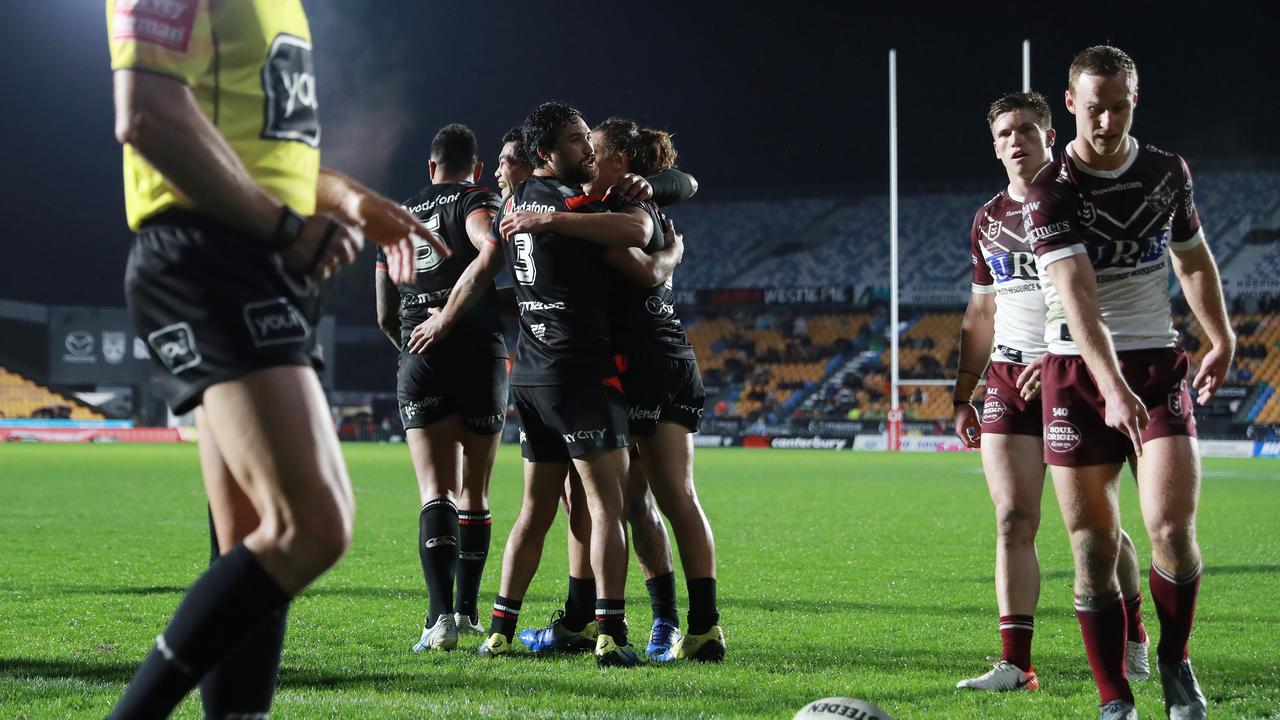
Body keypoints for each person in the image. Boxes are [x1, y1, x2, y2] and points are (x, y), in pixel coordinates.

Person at [105, 1, 444, 717]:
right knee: (312, 525)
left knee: (254, 545)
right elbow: (147, 117)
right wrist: (283, 227)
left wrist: (348, 197)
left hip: (257, 263)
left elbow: (253, 153)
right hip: (210, 257)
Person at [1025, 46, 1233, 720]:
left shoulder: (1167, 172)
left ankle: (1175, 663)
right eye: (1094, 108)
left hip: (1156, 360)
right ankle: (1115, 697)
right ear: (1070, 102)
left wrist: (1221, 336)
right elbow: (1078, 295)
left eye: (1118, 107)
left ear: (1133, 102)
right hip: (1076, 369)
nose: (1106, 122)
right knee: (1090, 545)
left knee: (1172, 529)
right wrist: (1110, 386)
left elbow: (1193, 258)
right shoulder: (1051, 188)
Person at [953, 92, 1148, 692]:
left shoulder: (1079, 201)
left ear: (1048, 133)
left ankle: (1135, 635)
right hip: (1008, 383)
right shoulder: (987, 219)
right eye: (1004, 133)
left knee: (1092, 523)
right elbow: (980, 313)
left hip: (1073, 374)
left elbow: (1106, 296)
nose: (1016, 141)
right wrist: (964, 392)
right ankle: (1016, 663)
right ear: (995, 145)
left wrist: (1060, 352)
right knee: (1012, 518)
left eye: (1027, 130)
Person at [519, 118, 722, 663]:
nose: (588, 155)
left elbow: (641, 266)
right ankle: (696, 629)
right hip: (673, 356)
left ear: (620, 163)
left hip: (641, 365)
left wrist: (552, 220)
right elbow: (681, 190)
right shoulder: (634, 203)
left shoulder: (609, 213)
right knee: (656, 498)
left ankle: (643, 622)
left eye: (597, 149)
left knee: (623, 501)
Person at [480, 102, 653, 667]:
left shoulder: (512, 201)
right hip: (578, 371)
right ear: (546, 155)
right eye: (577, 141)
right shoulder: (563, 204)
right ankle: (611, 632)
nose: (589, 150)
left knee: (535, 509)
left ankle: (500, 629)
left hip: (529, 373)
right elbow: (637, 229)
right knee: (607, 507)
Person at [374, 124, 506, 651]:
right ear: (474, 168)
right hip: (481, 351)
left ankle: (439, 620)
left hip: (421, 351)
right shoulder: (478, 197)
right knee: (475, 491)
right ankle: (470, 613)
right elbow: (488, 245)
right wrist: (454, 312)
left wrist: (415, 339)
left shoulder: (397, 218)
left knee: (436, 490)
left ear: (431, 168)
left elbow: (384, 308)